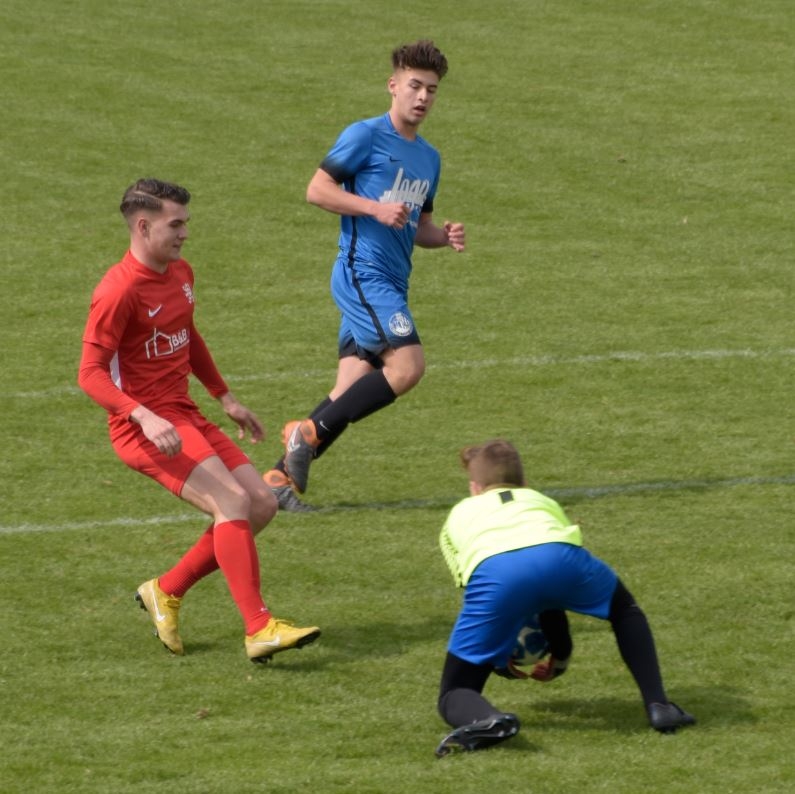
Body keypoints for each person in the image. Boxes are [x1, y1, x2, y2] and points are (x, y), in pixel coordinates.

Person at [77, 178, 320, 662]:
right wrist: (142, 415)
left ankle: (165, 591)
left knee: (261, 505)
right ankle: (259, 627)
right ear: (143, 226)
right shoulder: (118, 290)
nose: (185, 233)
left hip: (182, 414)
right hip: (144, 429)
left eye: (185, 223)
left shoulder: (181, 272)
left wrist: (225, 397)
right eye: (176, 224)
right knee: (231, 500)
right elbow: (89, 374)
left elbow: (187, 334)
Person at [262, 40, 466, 512]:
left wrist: (443, 236)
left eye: (431, 90)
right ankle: (304, 433)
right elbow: (317, 189)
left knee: (349, 390)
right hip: (362, 275)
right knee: (408, 367)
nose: (422, 97)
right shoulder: (365, 136)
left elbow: (417, 226)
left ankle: (276, 480)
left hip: (392, 281)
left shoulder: (429, 158)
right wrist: (374, 208)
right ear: (393, 85)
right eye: (414, 86)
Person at [434, 439, 695, 757]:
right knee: (625, 610)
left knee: (454, 691)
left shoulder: (459, 514)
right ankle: (659, 705)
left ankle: (487, 719)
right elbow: (550, 594)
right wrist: (561, 655)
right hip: (562, 557)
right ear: (524, 482)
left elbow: (486, 595)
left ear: (474, 488)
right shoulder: (542, 500)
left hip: (497, 571)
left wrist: (500, 661)